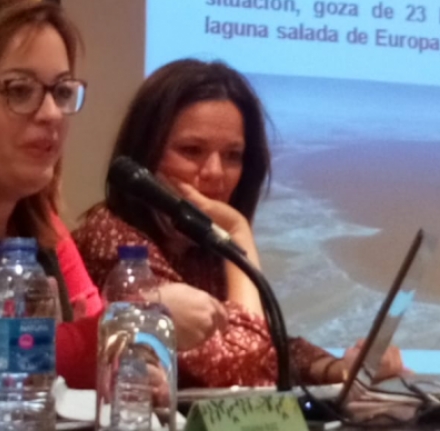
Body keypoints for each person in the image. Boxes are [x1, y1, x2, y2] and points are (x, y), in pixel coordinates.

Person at [0, 0, 225, 419]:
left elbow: (101, 349)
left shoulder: (39, 223)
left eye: (62, 91)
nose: (52, 113)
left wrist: (135, 369)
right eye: (20, 90)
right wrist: (135, 324)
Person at [74, 59, 405, 388]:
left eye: (232, 156)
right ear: (145, 157)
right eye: (191, 150)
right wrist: (237, 231)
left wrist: (337, 369)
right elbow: (244, 369)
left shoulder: (197, 242)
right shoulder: (114, 238)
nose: (215, 172)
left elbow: (266, 343)